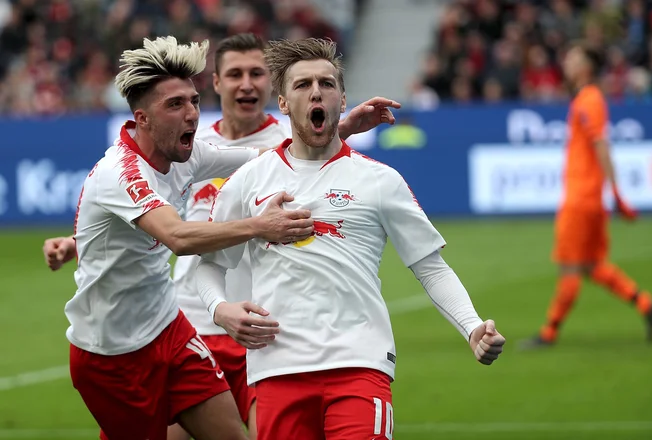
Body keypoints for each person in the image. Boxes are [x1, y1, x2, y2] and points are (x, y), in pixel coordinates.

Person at [196, 37, 506, 440]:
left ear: (342, 99)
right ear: (284, 103)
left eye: (326, 83)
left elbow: (430, 266)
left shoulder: (379, 180)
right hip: (276, 369)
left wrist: (472, 327)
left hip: (360, 367)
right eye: (302, 85)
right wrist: (221, 310)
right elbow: (209, 265)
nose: (316, 92)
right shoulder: (247, 182)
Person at [64, 35, 319, 440]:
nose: (191, 115)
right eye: (175, 104)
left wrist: (344, 126)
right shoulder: (122, 172)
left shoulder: (188, 155)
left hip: (169, 328)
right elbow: (178, 237)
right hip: (110, 353)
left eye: (194, 101)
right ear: (142, 118)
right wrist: (260, 226)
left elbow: (269, 155)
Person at [168, 33, 400, 440]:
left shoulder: (283, 142)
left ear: (272, 87)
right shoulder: (191, 149)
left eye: (257, 73)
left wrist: (341, 127)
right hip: (194, 321)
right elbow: (149, 216)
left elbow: (313, 147)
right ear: (217, 83)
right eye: (235, 73)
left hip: (264, 330)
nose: (247, 83)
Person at [520, 43, 652, 349]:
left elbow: (602, 144)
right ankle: (648, 306)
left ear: (585, 67)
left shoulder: (589, 100)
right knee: (593, 265)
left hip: (581, 199)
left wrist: (618, 192)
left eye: (573, 58)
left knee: (570, 266)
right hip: (590, 198)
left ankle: (549, 333)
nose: (566, 62)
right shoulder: (588, 99)